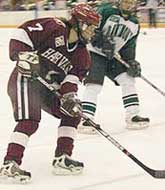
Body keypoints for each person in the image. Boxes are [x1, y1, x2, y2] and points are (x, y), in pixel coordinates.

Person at [0, 3, 100, 182]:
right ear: (81, 23)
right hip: (25, 80)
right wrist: (20, 55)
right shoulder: (54, 27)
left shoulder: (82, 55)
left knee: (72, 113)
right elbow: (22, 32)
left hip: (48, 88)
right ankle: (9, 164)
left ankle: (62, 157)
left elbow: (71, 80)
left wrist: (69, 97)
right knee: (30, 120)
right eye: (91, 27)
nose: (93, 32)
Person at [78, 0, 150, 134]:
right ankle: (86, 119)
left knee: (128, 79)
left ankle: (132, 116)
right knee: (94, 85)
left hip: (113, 57)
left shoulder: (134, 23)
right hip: (94, 53)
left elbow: (129, 45)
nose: (129, 5)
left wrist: (130, 61)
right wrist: (101, 41)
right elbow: (90, 28)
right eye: (126, 2)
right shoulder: (106, 11)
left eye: (132, 3)